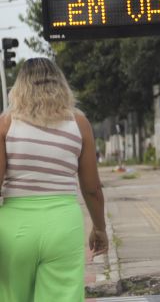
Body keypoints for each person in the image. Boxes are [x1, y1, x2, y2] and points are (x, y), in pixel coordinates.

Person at [0, 57, 108, 301]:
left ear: (19, 87)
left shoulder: (6, 124)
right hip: (63, 226)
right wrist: (99, 228)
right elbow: (92, 189)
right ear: (61, 84)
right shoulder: (79, 123)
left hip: (14, 229)